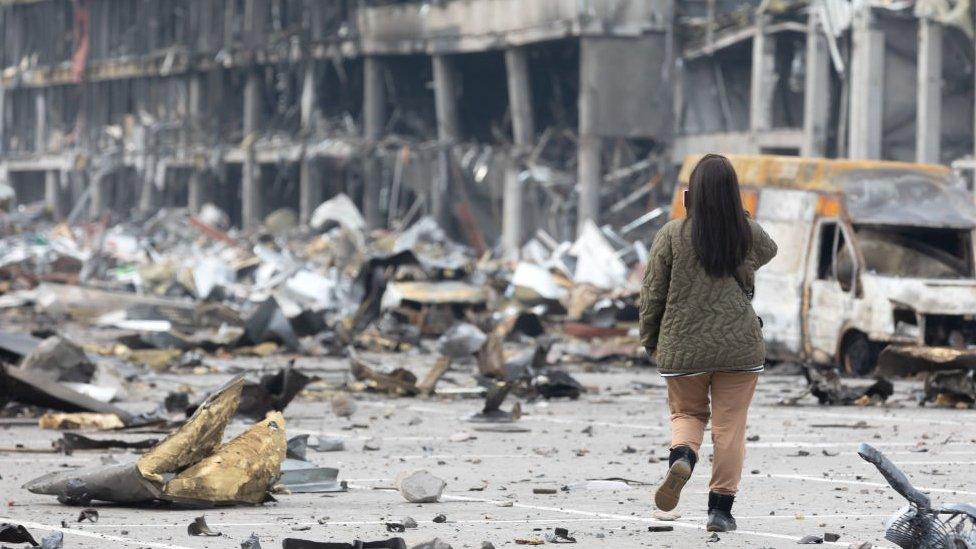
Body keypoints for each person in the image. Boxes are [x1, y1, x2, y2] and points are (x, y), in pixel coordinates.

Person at [639, 153, 778, 532]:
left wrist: (650, 340)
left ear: (692, 194)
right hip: (740, 347)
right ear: (733, 195)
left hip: (684, 346)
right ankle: (720, 510)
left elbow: (652, 294)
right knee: (729, 427)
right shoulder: (744, 233)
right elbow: (769, 250)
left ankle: (682, 456)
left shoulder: (671, 234)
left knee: (687, 415)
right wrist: (738, 216)